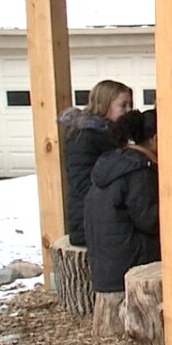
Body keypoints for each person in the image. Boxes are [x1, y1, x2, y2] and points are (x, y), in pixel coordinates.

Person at [83, 110, 159, 294]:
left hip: (106, 270)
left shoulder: (115, 162)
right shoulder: (138, 171)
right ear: (156, 139)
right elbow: (151, 221)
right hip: (130, 271)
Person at [59, 79, 133, 246]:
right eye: (123, 105)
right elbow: (83, 183)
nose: (129, 110)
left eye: (130, 104)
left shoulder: (111, 134)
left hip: (106, 219)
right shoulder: (83, 136)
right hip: (89, 223)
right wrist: (118, 203)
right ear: (104, 104)